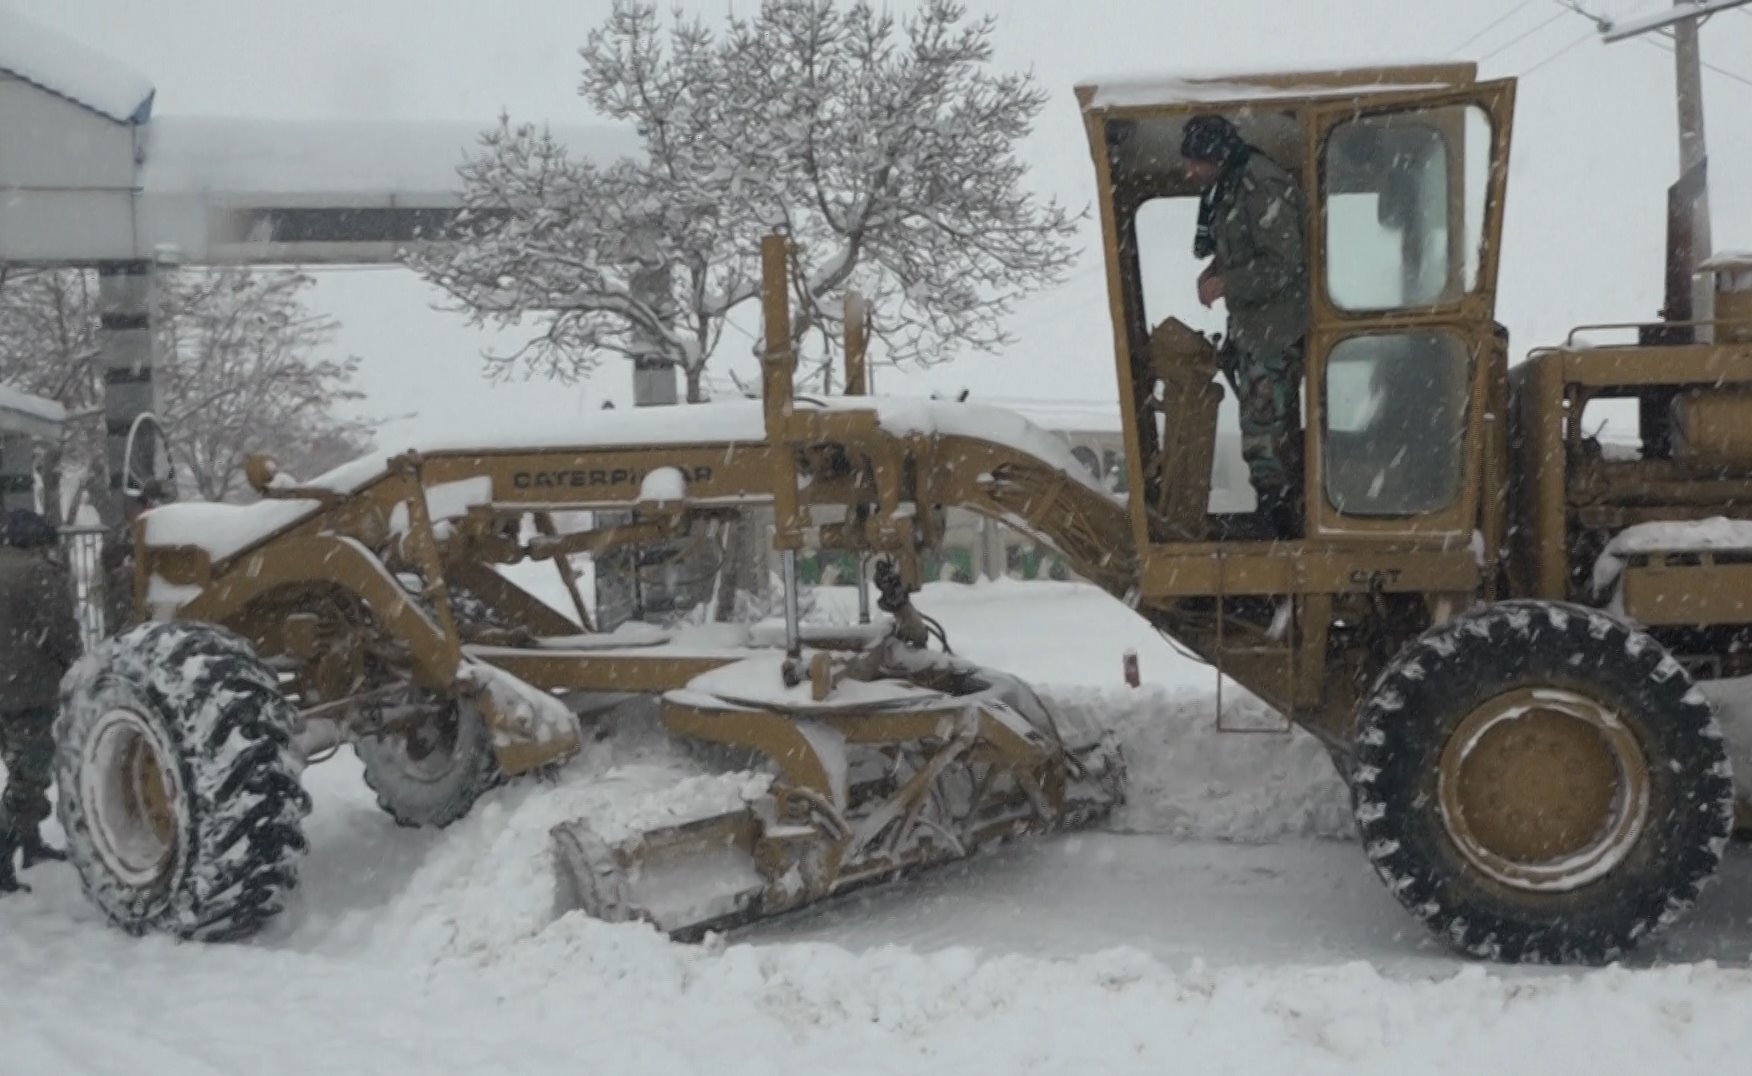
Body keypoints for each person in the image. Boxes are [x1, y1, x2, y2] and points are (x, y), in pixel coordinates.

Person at [1180, 113, 1311, 537]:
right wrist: (1216, 269)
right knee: (1260, 433)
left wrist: (1226, 283)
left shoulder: (1261, 185)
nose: (1189, 171)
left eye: (1195, 161)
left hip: (1274, 335)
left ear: (1215, 156)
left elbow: (1284, 263)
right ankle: (1272, 515)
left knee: (1267, 435)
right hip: (1255, 333)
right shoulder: (1234, 186)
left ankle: (1279, 524)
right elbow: (1248, 250)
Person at [0, 509, 81, 893]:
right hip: (29, 692)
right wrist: (76, 665)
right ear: (39, 543)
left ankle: (31, 845)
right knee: (28, 781)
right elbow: (60, 632)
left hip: (4, 692)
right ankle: (2, 858)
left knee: (16, 768)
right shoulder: (38, 574)